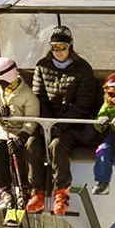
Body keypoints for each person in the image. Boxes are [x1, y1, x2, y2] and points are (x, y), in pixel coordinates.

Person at [31, 26, 99, 214]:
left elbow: (83, 104)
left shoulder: (83, 69)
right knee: (31, 144)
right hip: (47, 123)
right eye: (54, 47)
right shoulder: (42, 66)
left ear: (70, 47)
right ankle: (36, 192)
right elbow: (40, 97)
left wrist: (60, 125)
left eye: (62, 46)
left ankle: (61, 193)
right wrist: (46, 123)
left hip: (73, 125)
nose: (58, 51)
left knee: (57, 146)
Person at [0, 57, 44, 210]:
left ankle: (23, 187)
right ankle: (4, 189)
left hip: (21, 132)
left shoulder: (28, 96)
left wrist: (23, 135)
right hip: (3, 131)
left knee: (18, 152)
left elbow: (32, 120)